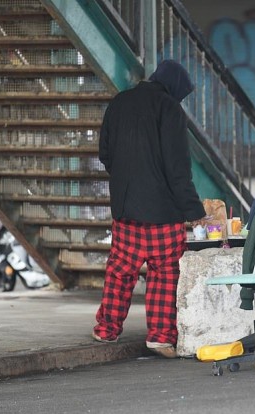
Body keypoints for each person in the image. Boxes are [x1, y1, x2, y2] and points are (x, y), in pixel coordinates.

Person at [93, 60, 207, 358]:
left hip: (126, 209)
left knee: (120, 271)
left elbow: (105, 153)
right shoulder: (169, 109)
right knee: (164, 273)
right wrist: (194, 211)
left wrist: (125, 182)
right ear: (175, 88)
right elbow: (177, 168)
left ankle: (106, 329)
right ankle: (159, 336)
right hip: (164, 215)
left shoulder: (120, 102)